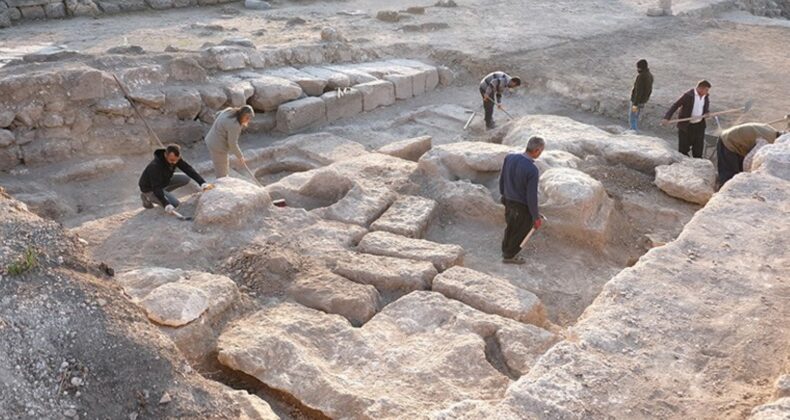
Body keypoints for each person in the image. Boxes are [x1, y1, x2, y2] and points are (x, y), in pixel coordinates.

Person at [499, 136, 545, 265]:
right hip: (521, 205)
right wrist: (535, 217)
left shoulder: (510, 158)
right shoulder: (532, 170)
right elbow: (531, 196)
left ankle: (505, 249)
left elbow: (502, 179)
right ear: (536, 150)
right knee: (521, 230)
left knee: (511, 226)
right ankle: (509, 255)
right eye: (541, 151)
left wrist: (503, 194)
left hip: (508, 199)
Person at [138, 144, 213, 215]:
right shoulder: (155, 166)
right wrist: (166, 204)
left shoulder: (175, 158)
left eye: (176, 160)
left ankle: (164, 194)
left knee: (185, 178)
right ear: (165, 155)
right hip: (151, 188)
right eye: (172, 160)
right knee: (174, 204)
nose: (174, 162)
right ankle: (147, 197)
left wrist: (202, 183)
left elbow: (188, 169)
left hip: (164, 181)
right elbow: (156, 187)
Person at [717, 122, 783, 185]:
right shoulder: (766, 141)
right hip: (728, 141)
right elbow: (747, 160)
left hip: (737, 141)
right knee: (729, 176)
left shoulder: (772, 131)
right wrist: (748, 176)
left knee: (737, 174)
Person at [662, 80, 711, 158]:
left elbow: (705, 107)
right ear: (701, 88)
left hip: (699, 126)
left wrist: (706, 113)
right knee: (683, 150)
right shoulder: (688, 96)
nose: (707, 92)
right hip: (686, 126)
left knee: (698, 150)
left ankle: (697, 167)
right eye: (706, 90)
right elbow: (675, 105)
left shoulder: (706, 96)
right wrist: (667, 118)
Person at [205, 105, 254, 178]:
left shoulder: (229, 110)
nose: (248, 121)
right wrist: (240, 157)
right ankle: (221, 187)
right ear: (243, 115)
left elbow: (217, 115)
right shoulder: (235, 125)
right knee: (222, 174)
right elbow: (232, 143)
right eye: (247, 118)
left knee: (222, 166)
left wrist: (220, 128)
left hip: (211, 139)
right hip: (217, 147)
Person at [629, 59, 653, 132]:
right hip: (643, 101)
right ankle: (635, 129)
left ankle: (633, 130)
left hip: (636, 101)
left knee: (633, 115)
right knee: (637, 115)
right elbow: (649, 90)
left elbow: (638, 91)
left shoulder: (641, 77)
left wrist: (635, 103)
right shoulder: (650, 75)